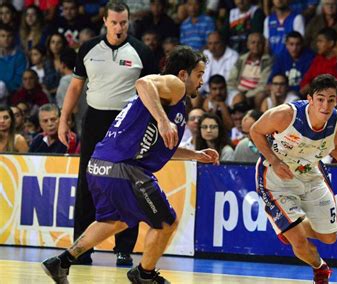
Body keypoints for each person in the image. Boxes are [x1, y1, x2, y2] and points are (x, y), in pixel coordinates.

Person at [42, 45, 219, 284]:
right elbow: (143, 83)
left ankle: (61, 261)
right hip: (123, 167)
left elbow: (162, 146)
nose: (201, 81)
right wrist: (163, 120)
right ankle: (144, 274)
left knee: (115, 221)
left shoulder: (170, 101)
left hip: (99, 165)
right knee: (166, 222)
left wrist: (195, 154)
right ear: (184, 74)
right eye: (199, 74)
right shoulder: (174, 86)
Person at [58, 0, 158, 266]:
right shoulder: (89, 49)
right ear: (104, 21)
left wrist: (158, 123)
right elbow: (75, 89)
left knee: (127, 183)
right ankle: (81, 249)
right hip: (94, 120)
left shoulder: (142, 52)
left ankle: (124, 248)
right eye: (114, 22)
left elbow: (152, 92)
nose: (119, 27)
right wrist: (63, 120)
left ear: (129, 21)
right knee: (87, 184)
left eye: (123, 22)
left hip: (127, 122)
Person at [250, 74, 337, 283]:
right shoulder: (285, 115)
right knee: (298, 240)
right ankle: (320, 267)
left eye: (331, 99)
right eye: (320, 99)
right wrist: (274, 161)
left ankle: (289, 225)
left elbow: (336, 146)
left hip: (310, 173)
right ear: (310, 99)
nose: (325, 105)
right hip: (276, 177)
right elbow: (255, 131)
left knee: (329, 238)